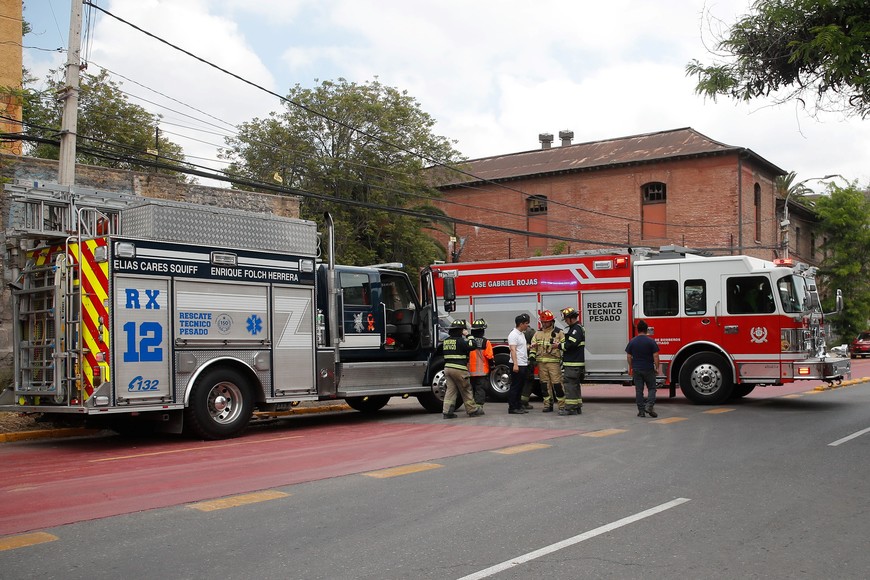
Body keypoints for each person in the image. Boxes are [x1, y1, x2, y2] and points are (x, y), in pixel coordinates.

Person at [442, 319, 484, 419]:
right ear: (460, 331)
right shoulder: (460, 341)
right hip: (459, 369)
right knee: (466, 390)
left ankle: (447, 412)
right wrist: (468, 335)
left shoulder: (446, 341)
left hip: (447, 369)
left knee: (450, 391)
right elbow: (473, 345)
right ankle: (472, 410)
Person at [528, 310, 565, 412]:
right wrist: (532, 357)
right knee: (544, 385)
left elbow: (565, 347)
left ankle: (562, 405)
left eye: (546, 322)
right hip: (541, 363)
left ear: (551, 321)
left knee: (557, 384)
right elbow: (533, 347)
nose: (544, 324)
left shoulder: (559, 333)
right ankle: (548, 405)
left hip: (554, 362)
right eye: (543, 322)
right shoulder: (537, 333)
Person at [625, 319, 661, 417]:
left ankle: (641, 411)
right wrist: (657, 368)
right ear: (646, 330)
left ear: (637, 330)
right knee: (652, 388)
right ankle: (649, 406)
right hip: (649, 368)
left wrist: (631, 367)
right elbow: (656, 356)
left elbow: (628, 356)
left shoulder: (632, 341)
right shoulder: (651, 341)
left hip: (637, 369)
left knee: (639, 390)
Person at [559, 307, 585, 415]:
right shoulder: (576, 328)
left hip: (573, 363)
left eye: (566, 319)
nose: (565, 321)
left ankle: (569, 408)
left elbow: (571, 345)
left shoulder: (575, 329)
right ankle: (577, 406)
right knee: (574, 385)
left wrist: (558, 346)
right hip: (575, 363)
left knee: (569, 385)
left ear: (570, 318)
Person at [468, 319, 495, 411]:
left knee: (470, 390)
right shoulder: (485, 342)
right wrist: (492, 366)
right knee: (480, 389)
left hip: (469, 371)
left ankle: (470, 407)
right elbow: (489, 356)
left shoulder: (468, 341)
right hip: (482, 371)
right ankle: (478, 408)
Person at [507, 313, 531, 414]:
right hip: (517, 364)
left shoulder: (521, 334)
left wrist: (531, 346)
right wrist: (515, 365)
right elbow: (513, 350)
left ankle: (518, 405)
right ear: (520, 324)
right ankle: (512, 407)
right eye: (526, 323)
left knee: (521, 386)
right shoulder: (513, 334)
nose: (527, 325)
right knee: (515, 386)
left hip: (523, 363)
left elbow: (521, 348)